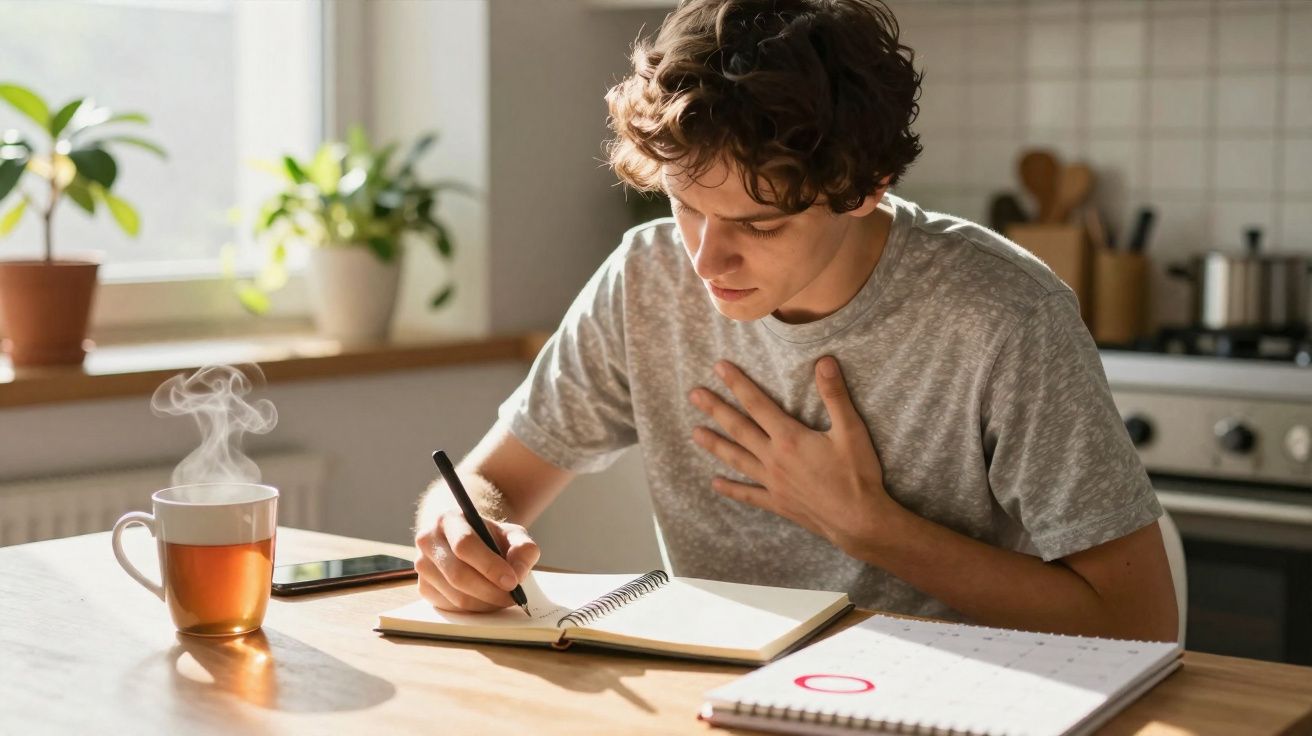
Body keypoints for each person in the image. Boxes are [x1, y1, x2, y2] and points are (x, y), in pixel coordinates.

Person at [414, 0, 1178, 641]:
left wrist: (871, 528)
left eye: (760, 225)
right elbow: (486, 482)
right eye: (685, 206)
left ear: (867, 187)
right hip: (716, 696)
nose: (705, 260)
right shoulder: (645, 277)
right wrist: (461, 535)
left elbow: (1138, 622)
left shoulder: (1004, 315)